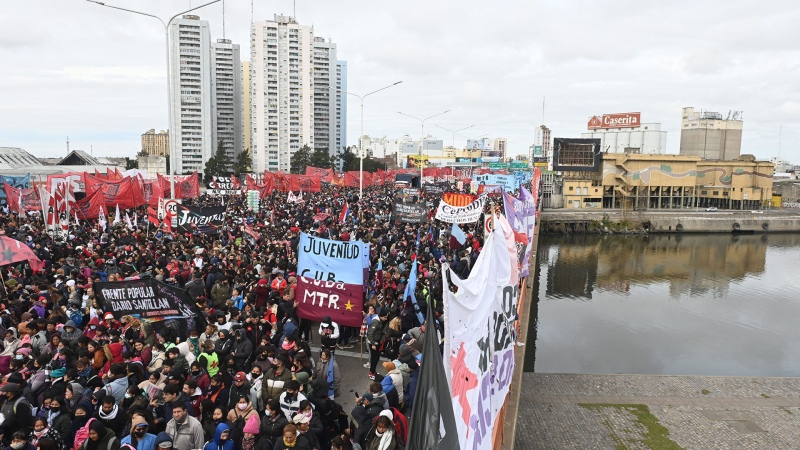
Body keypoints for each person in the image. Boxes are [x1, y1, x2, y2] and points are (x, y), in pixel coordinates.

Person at [366, 310, 388, 380]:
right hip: (373, 343)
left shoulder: (379, 321)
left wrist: (382, 333)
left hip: (376, 342)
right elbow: (370, 333)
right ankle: (371, 373)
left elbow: (377, 331)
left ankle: (373, 371)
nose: (386, 319)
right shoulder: (376, 322)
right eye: (385, 317)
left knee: (376, 358)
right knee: (374, 358)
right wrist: (373, 344)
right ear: (381, 316)